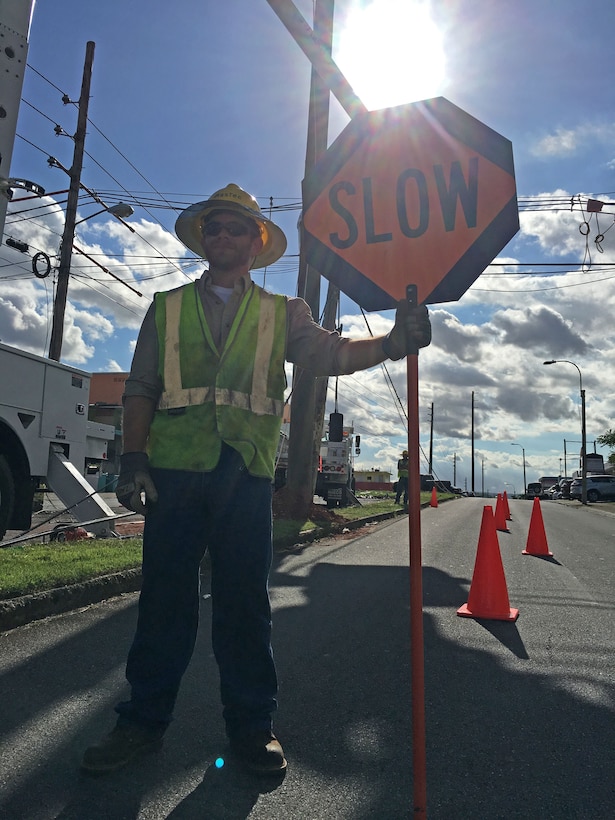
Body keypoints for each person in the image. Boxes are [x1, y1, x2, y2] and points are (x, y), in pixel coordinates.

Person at [81, 183, 431, 776]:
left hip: (244, 476)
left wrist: (393, 343)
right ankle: (140, 723)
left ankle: (251, 729)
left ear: (256, 241)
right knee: (164, 605)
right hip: (173, 475)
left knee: (244, 607)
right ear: (204, 239)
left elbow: (330, 353)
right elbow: (140, 387)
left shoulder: (282, 313)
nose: (223, 237)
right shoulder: (165, 307)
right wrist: (132, 460)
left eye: (235, 229)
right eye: (214, 228)